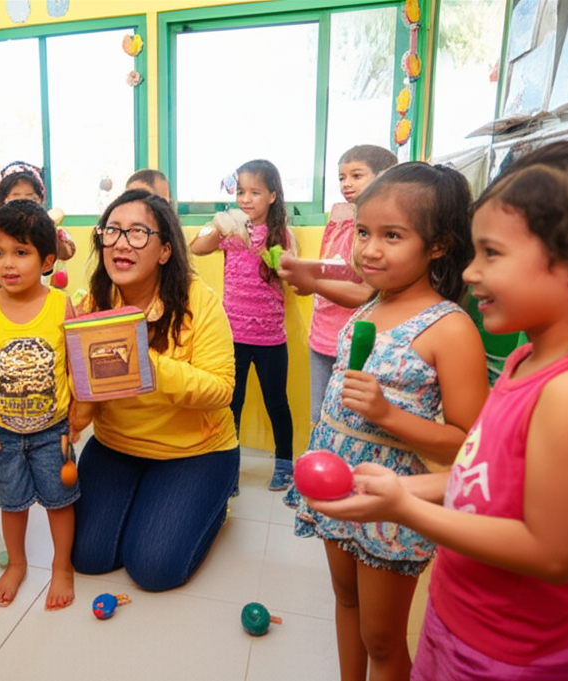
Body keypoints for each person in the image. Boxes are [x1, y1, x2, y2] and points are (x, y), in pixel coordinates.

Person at [307, 142, 568, 681]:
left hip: (506, 651)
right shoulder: (524, 360)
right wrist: (390, 492)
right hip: (458, 619)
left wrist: (405, 505)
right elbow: (478, 472)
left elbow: (551, 550)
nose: (470, 273)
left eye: (491, 254)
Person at [291, 163, 490, 681]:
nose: (369, 249)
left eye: (392, 235)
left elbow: (467, 447)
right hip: (338, 481)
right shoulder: (371, 306)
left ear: (439, 245)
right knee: (345, 600)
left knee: (381, 636)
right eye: (363, 232)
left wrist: (387, 414)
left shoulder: (450, 328)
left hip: (392, 497)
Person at [70, 189, 240, 592]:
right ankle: (150, 500)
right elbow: (85, 399)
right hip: (117, 444)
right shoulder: (93, 303)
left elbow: (222, 389)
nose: (121, 243)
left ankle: (215, 504)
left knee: (153, 568)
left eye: (137, 233)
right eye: (111, 231)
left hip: (194, 452)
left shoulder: (198, 300)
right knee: (87, 556)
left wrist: (146, 362)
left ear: (164, 250)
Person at [0, 199, 79, 610]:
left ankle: (62, 567)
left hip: (54, 432)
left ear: (47, 260)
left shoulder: (60, 304)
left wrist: (79, 413)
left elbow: (75, 364)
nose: (7, 264)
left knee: (60, 502)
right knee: (11, 505)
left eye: (21, 253)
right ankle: (17, 563)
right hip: (3, 433)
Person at [279, 145, 397, 508]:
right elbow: (334, 267)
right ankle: (315, 482)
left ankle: (348, 486)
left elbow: (364, 291)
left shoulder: (381, 230)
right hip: (322, 336)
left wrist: (311, 280)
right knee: (321, 416)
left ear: (386, 177)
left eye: (357, 175)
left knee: (354, 421)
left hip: (356, 343)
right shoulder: (342, 217)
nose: (346, 184)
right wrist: (308, 273)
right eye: (342, 176)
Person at [190, 159, 296, 492]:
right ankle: (229, 468)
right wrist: (218, 225)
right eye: (240, 192)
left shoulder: (281, 233)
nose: (246, 199)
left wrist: (270, 253)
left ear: (273, 196)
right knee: (230, 404)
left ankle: (285, 464)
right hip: (232, 336)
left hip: (270, 339)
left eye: (255, 192)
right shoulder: (230, 232)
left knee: (275, 402)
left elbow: (290, 273)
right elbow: (196, 246)